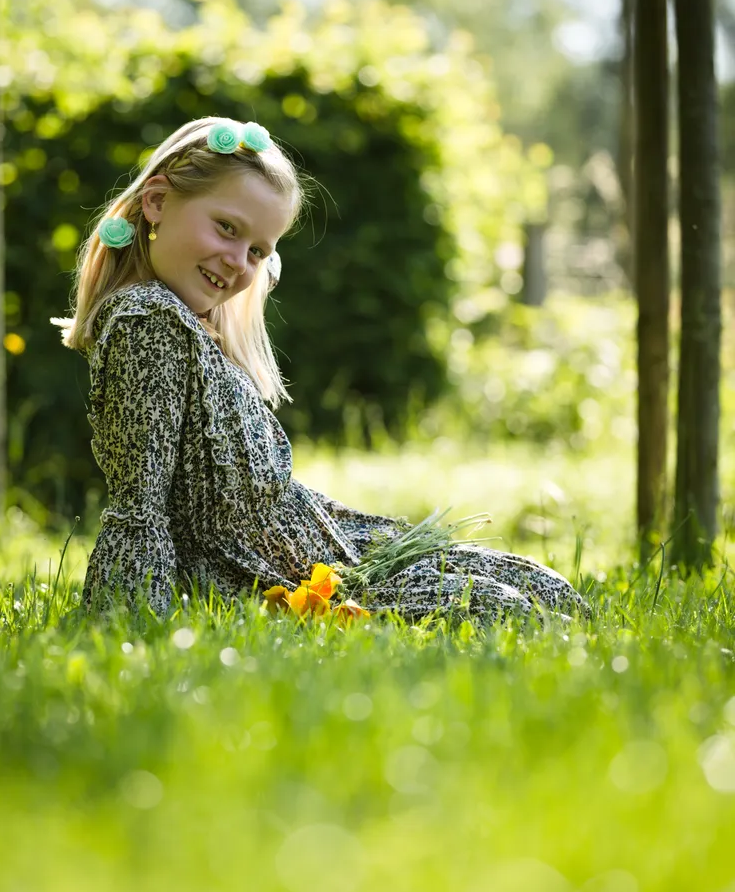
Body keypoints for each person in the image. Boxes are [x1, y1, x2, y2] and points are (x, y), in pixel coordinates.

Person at [52, 115, 586, 625]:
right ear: (157, 202)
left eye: (258, 250)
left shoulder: (189, 327)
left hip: (330, 553)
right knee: (509, 609)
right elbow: (139, 507)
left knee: (550, 592)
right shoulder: (146, 321)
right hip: (275, 582)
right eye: (226, 228)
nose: (240, 262)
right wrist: (133, 621)